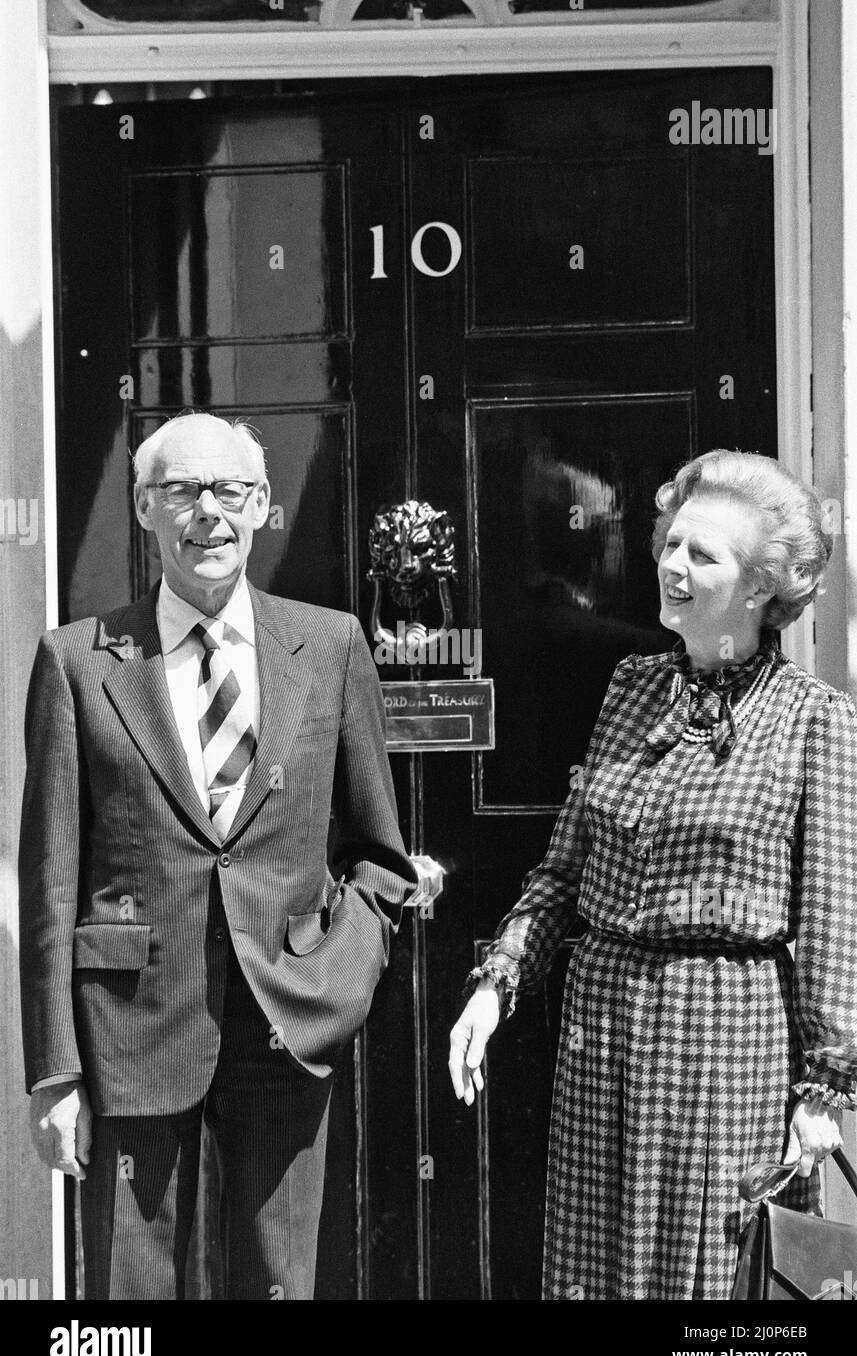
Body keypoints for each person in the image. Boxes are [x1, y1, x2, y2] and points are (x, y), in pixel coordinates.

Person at [20, 412, 422, 1300]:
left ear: (262, 504)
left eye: (228, 490)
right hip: (129, 1030)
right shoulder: (79, 662)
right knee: (127, 1294)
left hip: (285, 1020)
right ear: (143, 508)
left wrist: (341, 972)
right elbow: (50, 882)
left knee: (277, 1283)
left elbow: (377, 853)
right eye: (180, 491)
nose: (207, 512)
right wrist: (55, 1073)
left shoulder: (329, 646)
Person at [449, 449, 857, 1301]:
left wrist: (824, 1084)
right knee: (595, 1275)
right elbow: (564, 867)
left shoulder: (815, 721)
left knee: (715, 1278)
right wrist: (498, 982)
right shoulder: (630, 688)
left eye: (701, 554)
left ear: (758, 587)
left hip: (725, 1036)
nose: (672, 564)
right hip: (602, 1027)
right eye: (672, 544)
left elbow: (832, 916)